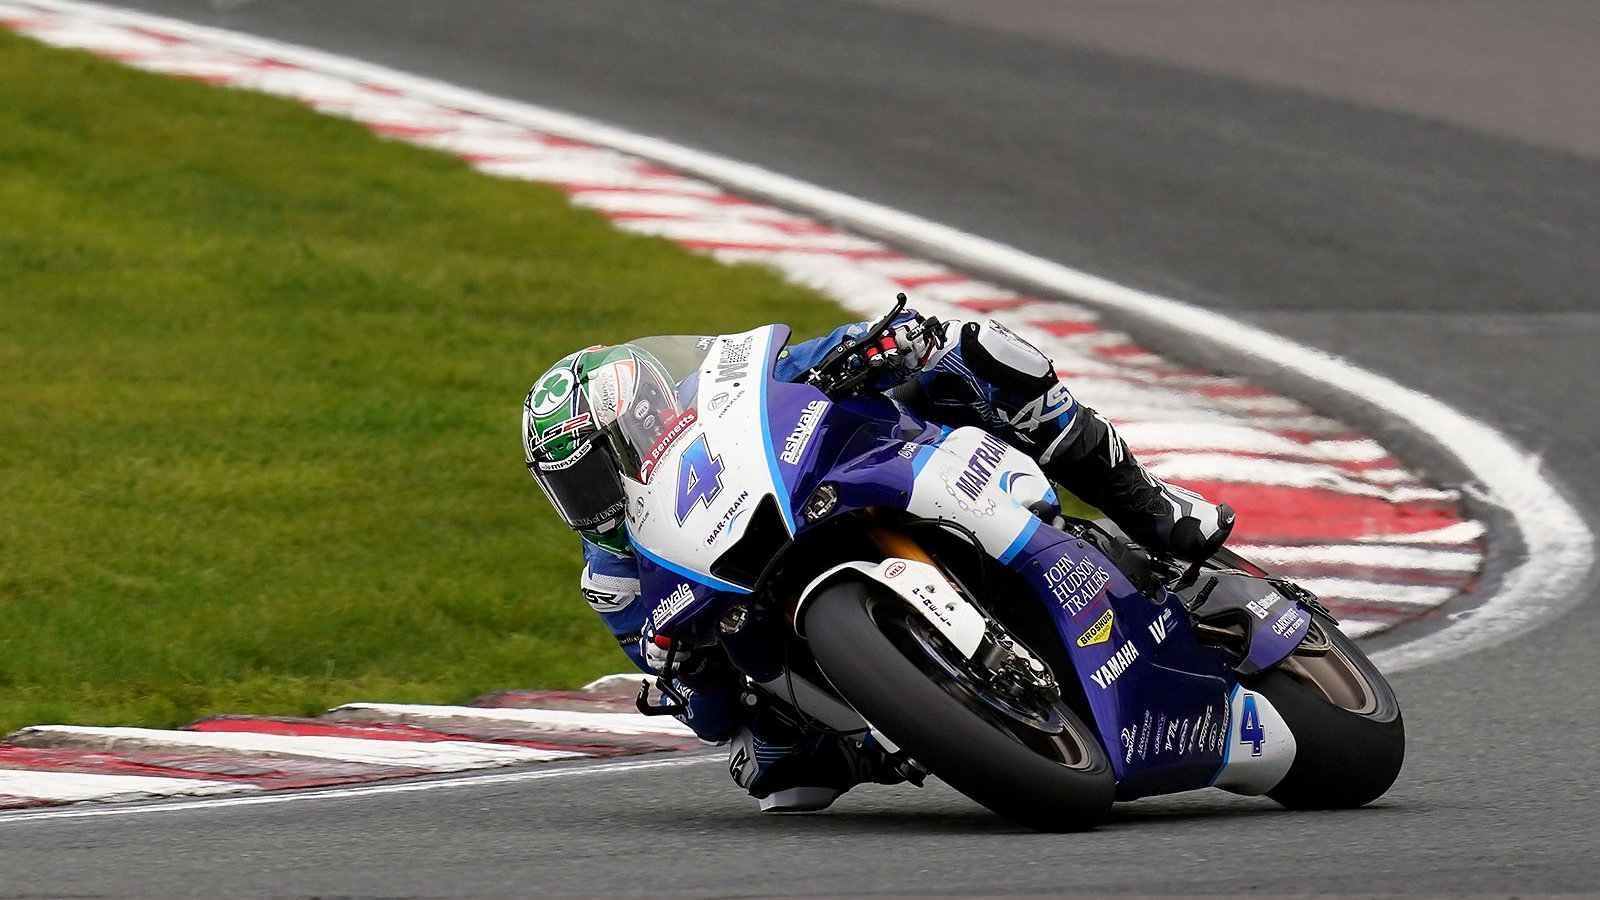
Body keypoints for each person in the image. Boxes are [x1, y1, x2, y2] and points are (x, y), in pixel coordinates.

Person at [522, 310, 1234, 812]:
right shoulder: (612, 577)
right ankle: (897, 730)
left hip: (853, 479)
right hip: (768, 619)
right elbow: (702, 715)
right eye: (571, 487)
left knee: (975, 352)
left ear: (644, 411)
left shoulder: (709, 400)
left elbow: (802, 365)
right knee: (773, 776)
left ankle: (1148, 507)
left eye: (596, 470)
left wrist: (880, 344)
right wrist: (691, 672)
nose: (593, 499)